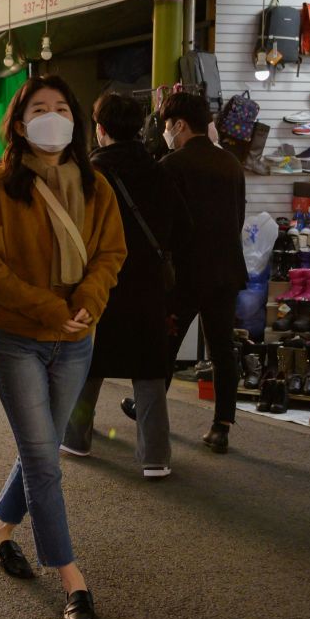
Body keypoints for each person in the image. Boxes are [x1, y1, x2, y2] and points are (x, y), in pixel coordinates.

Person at [0, 75, 126, 619]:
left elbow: (111, 252)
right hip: (17, 339)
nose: (52, 116)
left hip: (77, 340)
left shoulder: (96, 184)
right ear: (19, 122)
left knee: (40, 451)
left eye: (62, 107)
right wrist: (46, 308)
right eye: (40, 108)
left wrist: (86, 302)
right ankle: (73, 580)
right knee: (43, 460)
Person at [62, 93, 188, 478]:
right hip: (148, 284)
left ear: (99, 130)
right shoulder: (160, 171)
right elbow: (182, 228)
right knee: (149, 371)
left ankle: (76, 437)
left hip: (100, 280)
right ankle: (155, 457)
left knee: (88, 364)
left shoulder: (89, 173)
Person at [151, 91, 247, 454]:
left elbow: (164, 225)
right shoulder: (232, 164)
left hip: (185, 274)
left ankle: (150, 411)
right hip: (226, 272)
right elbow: (237, 218)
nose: (165, 132)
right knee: (223, 350)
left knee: (166, 345)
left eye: (166, 125)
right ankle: (221, 426)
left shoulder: (171, 166)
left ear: (179, 125)